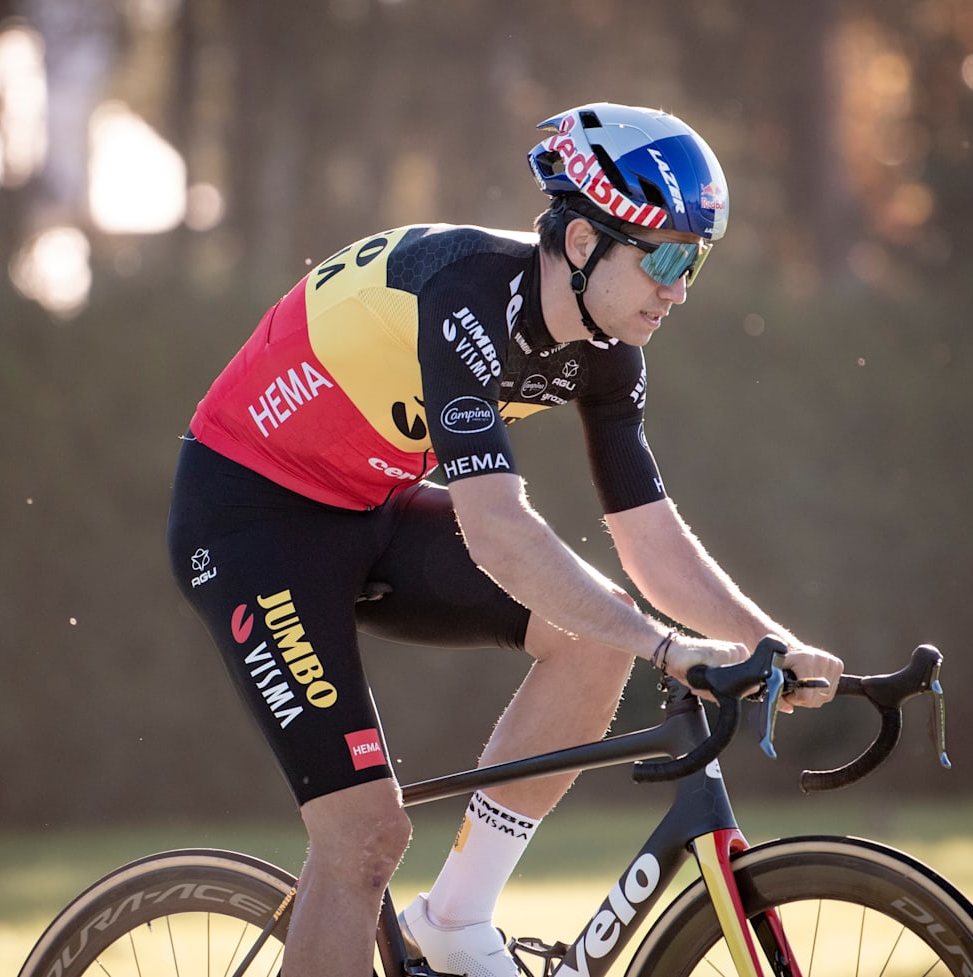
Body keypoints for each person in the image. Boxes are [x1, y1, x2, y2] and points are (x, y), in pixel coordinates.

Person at [166, 101, 844, 977]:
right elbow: (496, 530)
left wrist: (769, 643)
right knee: (365, 837)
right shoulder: (464, 297)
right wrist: (668, 646)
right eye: (666, 256)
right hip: (250, 521)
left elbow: (650, 537)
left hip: (365, 503)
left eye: (696, 261)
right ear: (579, 242)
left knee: (594, 638)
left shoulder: (606, 349)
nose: (678, 287)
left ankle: (452, 918)